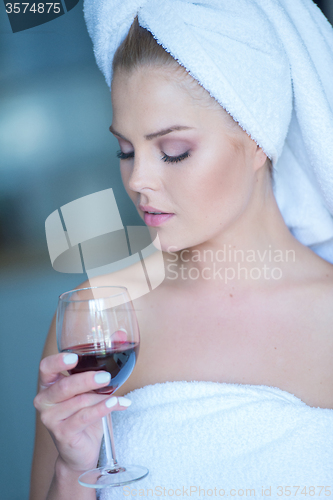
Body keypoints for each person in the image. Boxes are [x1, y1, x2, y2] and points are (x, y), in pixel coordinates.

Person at [30, 1, 333, 499]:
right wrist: (71, 469)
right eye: (125, 152)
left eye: (173, 152)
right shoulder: (99, 315)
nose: (138, 181)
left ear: (258, 139)